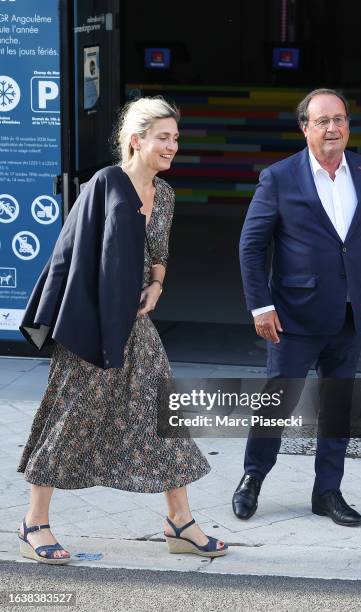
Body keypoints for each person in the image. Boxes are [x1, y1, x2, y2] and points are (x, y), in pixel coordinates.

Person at [16, 96, 228, 564]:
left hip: (135, 323)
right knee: (69, 415)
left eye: (175, 138)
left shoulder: (166, 195)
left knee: (164, 417)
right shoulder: (106, 184)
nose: (172, 146)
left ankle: (180, 522)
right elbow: (71, 251)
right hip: (92, 322)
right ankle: (34, 521)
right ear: (137, 140)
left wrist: (156, 284)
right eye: (163, 137)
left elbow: (159, 253)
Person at [233, 88, 361, 526]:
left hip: (350, 314)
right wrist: (260, 307)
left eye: (339, 119)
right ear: (305, 127)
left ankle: (327, 492)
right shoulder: (280, 178)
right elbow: (251, 246)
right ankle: (252, 478)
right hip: (293, 316)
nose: (332, 128)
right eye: (322, 121)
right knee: (277, 402)